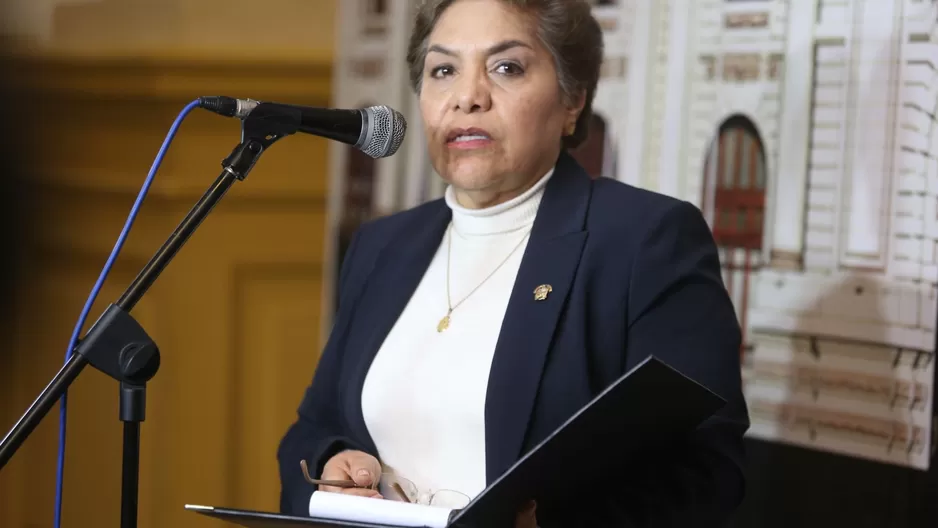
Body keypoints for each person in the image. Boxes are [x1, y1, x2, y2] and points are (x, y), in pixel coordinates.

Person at [277, 0, 750, 526]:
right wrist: (334, 463)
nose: (468, 97)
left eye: (507, 67)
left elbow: (707, 470)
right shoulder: (383, 246)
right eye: (443, 70)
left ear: (573, 100)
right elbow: (313, 427)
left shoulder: (643, 241)